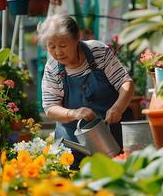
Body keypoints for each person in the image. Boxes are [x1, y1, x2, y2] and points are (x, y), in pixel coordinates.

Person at [37, 14, 134, 168]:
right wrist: (74, 113)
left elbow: (125, 82)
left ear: (77, 39)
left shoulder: (98, 52)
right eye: (51, 46)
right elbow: (50, 107)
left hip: (112, 137)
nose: (57, 52)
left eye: (62, 45)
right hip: (74, 144)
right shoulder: (53, 68)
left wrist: (118, 108)